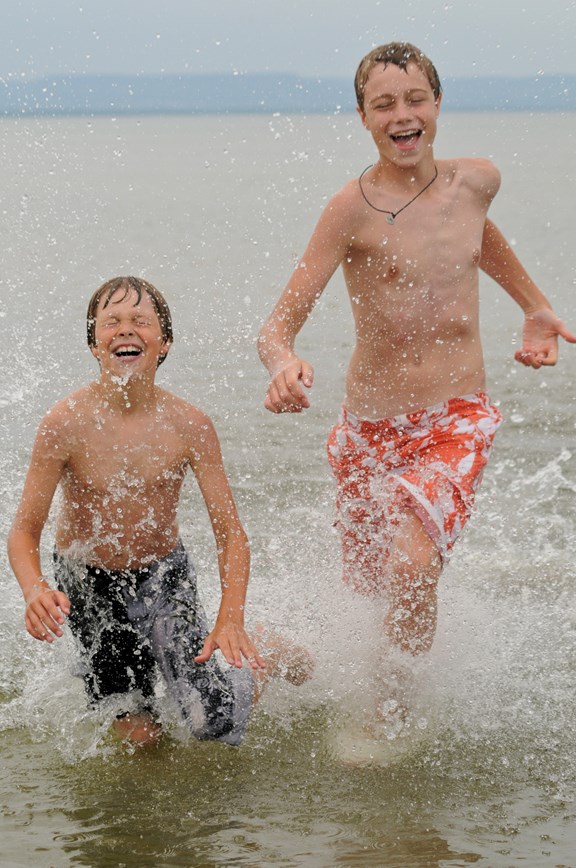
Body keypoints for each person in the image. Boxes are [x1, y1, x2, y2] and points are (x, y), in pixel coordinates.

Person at [258, 42, 575, 736]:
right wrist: (282, 361)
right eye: (385, 104)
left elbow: (471, 236)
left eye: (415, 100)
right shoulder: (350, 210)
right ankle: (308, 669)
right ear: (364, 117)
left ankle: (387, 716)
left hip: (456, 415)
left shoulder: (478, 179)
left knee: (412, 563)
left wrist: (534, 304)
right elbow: (277, 325)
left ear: (437, 103)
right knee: (370, 594)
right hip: (366, 431)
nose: (403, 116)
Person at [8, 276, 312, 747]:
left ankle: (265, 647)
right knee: (142, 739)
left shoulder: (189, 425)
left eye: (140, 321)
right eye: (111, 322)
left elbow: (231, 534)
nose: (125, 329)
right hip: (87, 584)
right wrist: (33, 590)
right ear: (94, 343)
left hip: (164, 577)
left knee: (212, 724)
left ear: (163, 341)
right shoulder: (64, 424)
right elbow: (24, 532)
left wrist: (231, 615)